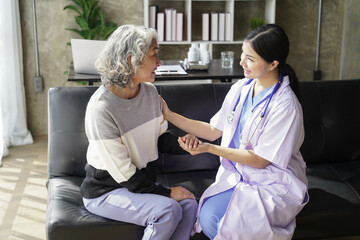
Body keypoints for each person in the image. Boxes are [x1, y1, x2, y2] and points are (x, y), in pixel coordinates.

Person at [161, 24, 309, 240]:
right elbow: (213, 130)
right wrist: (169, 114)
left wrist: (209, 149)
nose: (241, 62)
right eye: (242, 54)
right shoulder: (242, 88)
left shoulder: (286, 106)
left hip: (271, 182)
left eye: (250, 58)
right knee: (208, 217)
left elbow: (260, 160)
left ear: (273, 64)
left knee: (220, 224)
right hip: (238, 175)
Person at [80, 25, 197, 240]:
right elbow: (123, 173)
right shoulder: (102, 108)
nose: (159, 63)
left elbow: (160, 138)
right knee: (168, 209)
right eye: (154, 54)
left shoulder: (150, 93)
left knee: (188, 203)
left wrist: (184, 145)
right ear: (130, 60)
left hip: (139, 184)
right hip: (106, 191)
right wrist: (166, 193)